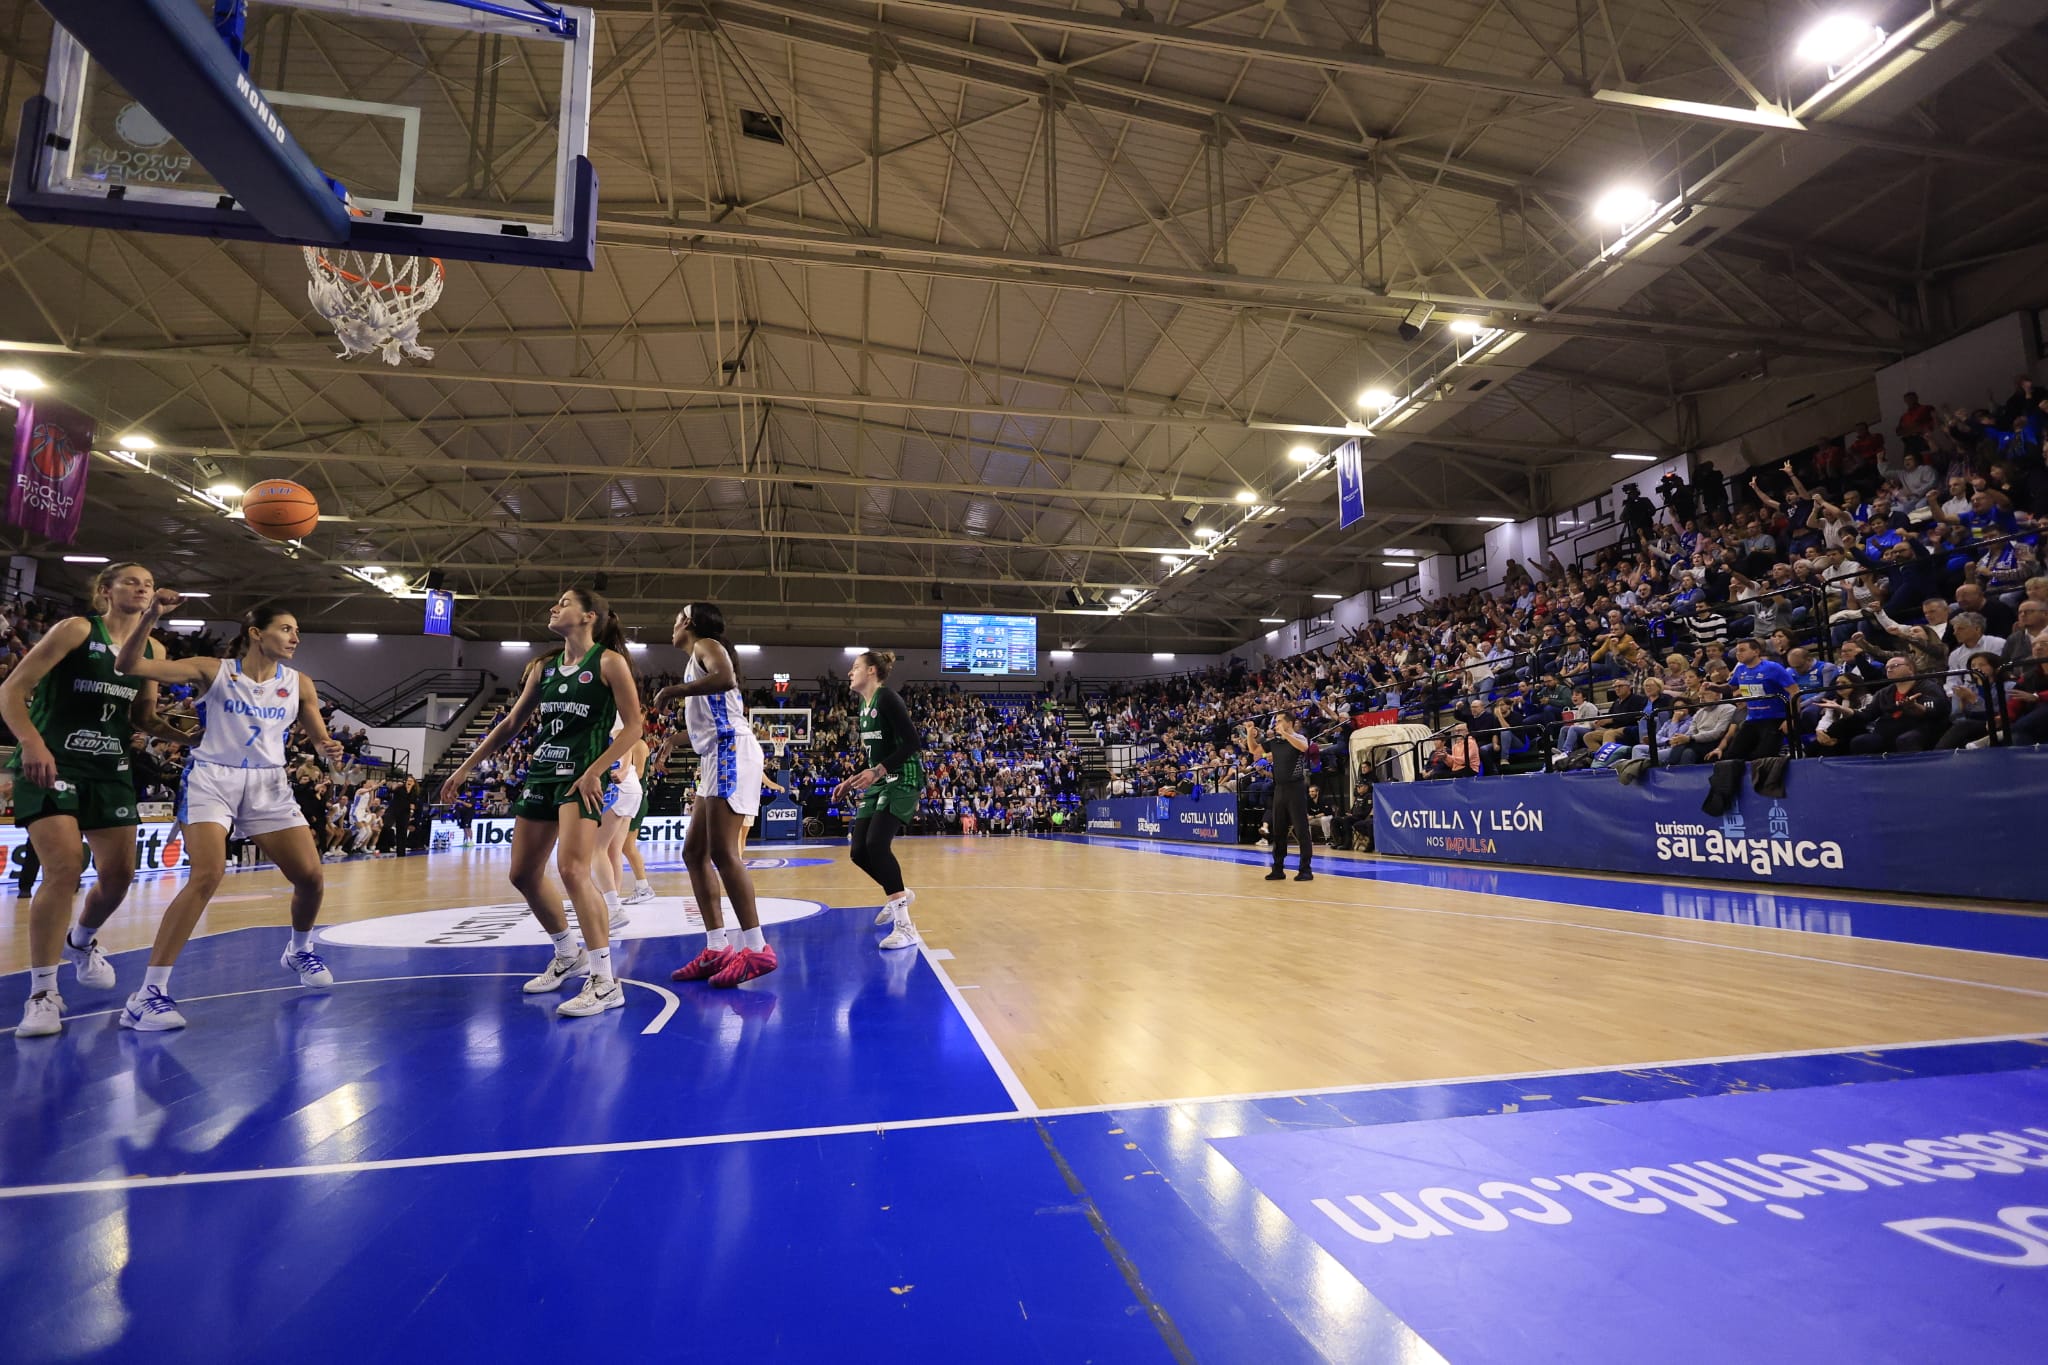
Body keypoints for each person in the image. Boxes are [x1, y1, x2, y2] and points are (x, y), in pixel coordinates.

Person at [111, 596, 346, 1031]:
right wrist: (152, 618)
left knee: (311, 877)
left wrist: (327, 747)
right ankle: (148, 994)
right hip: (212, 779)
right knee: (207, 875)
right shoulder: (213, 669)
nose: (295, 637)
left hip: (269, 784)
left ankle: (298, 949)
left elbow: (319, 738)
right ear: (257, 633)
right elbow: (129, 666)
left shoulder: (301, 683)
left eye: (297, 630)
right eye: (286, 628)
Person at [436, 588, 643, 1017]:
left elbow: (634, 728)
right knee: (523, 874)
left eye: (564, 602)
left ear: (588, 617)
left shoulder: (609, 662)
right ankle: (568, 952)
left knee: (572, 870)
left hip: (580, 778)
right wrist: (464, 767)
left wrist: (595, 770)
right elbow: (511, 723)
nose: (554, 607)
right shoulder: (544, 668)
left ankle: (606, 981)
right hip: (541, 774)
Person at [0, 563, 186, 1037]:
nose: (143, 587)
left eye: (148, 582)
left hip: (110, 767)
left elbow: (143, 716)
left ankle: (81, 940)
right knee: (63, 869)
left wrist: (189, 733)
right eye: (132, 581)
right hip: (54, 761)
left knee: (119, 876)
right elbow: (12, 690)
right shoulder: (77, 629)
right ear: (105, 591)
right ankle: (42, 992)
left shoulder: (153, 648)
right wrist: (33, 744)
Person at [656, 603, 778, 983]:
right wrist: (674, 741)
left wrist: (673, 690)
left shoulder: (706, 645)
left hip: (731, 752)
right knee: (693, 852)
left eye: (675, 618)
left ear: (689, 623)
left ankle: (757, 949)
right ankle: (716, 947)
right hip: (716, 753)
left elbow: (725, 678)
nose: (671, 625)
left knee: (724, 853)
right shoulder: (697, 656)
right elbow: (709, 721)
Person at [829, 649, 927, 950]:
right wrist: (851, 780)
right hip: (882, 778)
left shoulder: (887, 698)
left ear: (872, 671)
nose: (850, 672)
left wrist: (879, 770)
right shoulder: (863, 705)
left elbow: (913, 742)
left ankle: (905, 926)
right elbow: (877, 755)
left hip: (903, 776)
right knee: (858, 851)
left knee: (877, 845)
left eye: (855, 667)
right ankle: (900, 892)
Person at [578, 719, 648, 937]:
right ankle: (613, 908)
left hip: (618, 787)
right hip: (631, 790)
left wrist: (625, 769)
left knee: (596, 850)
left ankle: (613, 909)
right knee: (613, 850)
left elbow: (625, 741)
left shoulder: (612, 714)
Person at [1245, 711, 1316, 881]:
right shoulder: (1274, 743)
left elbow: (1304, 749)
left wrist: (1285, 734)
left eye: (1279, 721)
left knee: (1301, 830)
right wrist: (1249, 733)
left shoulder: (1300, 738)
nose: (1275, 724)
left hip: (1296, 789)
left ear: (1289, 723)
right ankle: (1278, 868)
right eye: (1275, 722)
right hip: (1279, 789)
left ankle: (1305, 869)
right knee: (1278, 830)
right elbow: (1254, 750)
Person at [1706, 638, 1799, 762]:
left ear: (1756, 652)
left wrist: (1791, 718)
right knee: (1732, 756)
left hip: (1775, 719)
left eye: (1742, 650)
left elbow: (1795, 692)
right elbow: (1730, 687)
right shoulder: (1740, 669)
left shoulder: (1773, 668)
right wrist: (1713, 687)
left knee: (1762, 757)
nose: (1738, 653)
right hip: (1752, 719)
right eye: (1737, 651)